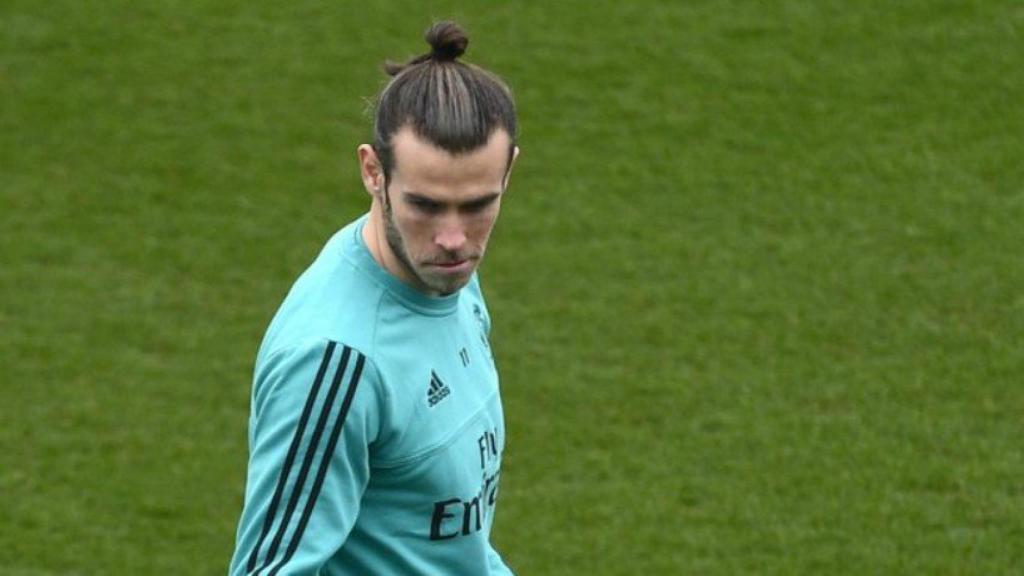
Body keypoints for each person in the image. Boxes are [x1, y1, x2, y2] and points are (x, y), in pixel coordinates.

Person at [227, 20, 520, 576]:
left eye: (478, 204)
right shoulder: (337, 360)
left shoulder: (442, 272)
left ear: (509, 172)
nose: (454, 239)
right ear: (372, 173)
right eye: (426, 206)